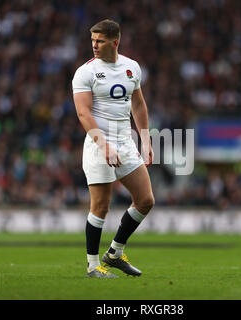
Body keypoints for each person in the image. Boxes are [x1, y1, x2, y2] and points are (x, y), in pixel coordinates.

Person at [72, 19, 155, 278]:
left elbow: (138, 105)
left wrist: (146, 139)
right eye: (92, 40)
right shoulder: (85, 72)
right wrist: (103, 145)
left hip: (125, 142)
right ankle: (92, 265)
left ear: (115, 42)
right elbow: (83, 113)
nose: (94, 45)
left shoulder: (132, 68)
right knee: (101, 206)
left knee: (145, 200)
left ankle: (115, 253)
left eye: (100, 41)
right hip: (99, 144)